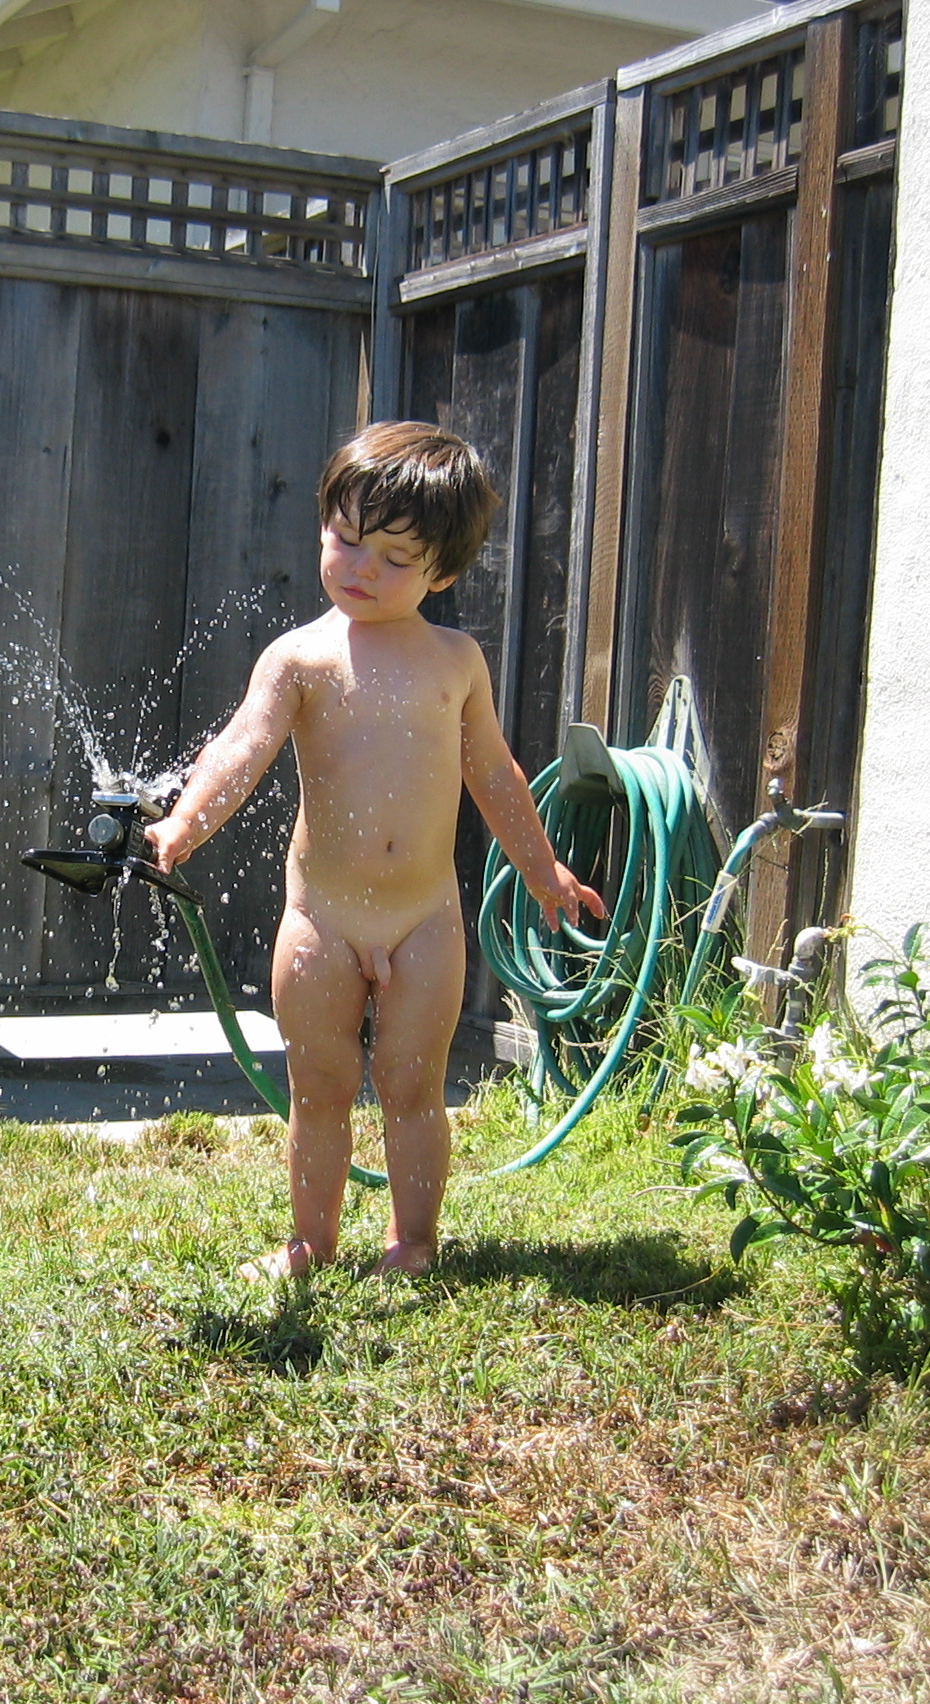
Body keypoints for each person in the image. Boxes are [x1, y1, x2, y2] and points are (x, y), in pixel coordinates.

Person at [147, 421, 604, 1280]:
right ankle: (310, 1244)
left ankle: (413, 1243)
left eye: (395, 558)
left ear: (444, 572)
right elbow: (241, 747)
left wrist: (543, 870)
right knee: (319, 1087)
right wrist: (183, 825)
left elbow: (495, 774)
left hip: (424, 918)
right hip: (321, 918)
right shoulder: (300, 658)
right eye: (346, 539)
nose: (362, 567)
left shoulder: (456, 661)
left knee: (412, 1085)